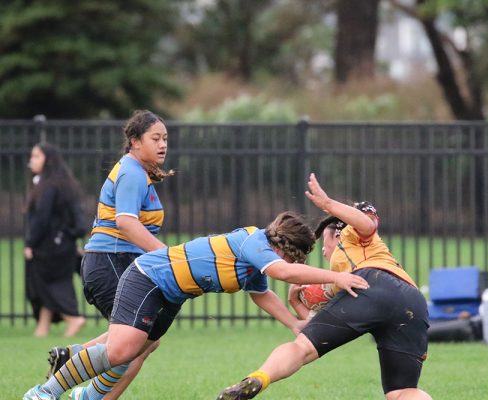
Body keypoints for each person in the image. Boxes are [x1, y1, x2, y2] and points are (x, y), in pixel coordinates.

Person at [23, 211, 369, 400]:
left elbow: (262, 292)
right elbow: (282, 272)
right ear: (284, 248)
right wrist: (335, 277)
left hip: (171, 295)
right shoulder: (255, 243)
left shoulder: (254, 261)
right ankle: (43, 393)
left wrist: (293, 325)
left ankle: (84, 394)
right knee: (121, 349)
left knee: (137, 350)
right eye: (294, 257)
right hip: (150, 277)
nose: (292, 264)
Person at [216, 173, 431, 400]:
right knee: (401, 391)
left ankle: (260, 378)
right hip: (413, 302)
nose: (323, 250)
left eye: (324, 241)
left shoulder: (351, 234)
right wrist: (295, 303)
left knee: (300, 349)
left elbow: (367, 223)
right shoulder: (344, 279)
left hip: (374, 283)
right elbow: (321, 324)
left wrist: (328, 204)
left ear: (336, 233)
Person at [43, 110, 173, 400]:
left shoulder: (137, 172)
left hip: (115, 262)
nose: (163, 144)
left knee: (143, 341)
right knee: (133, 344)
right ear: (135, 141)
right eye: (155, 138)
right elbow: (126, 223)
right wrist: (168, 255)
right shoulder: (131, 172)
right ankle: (74, 384)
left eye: (165, 138)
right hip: (110, 262)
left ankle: (75, 361)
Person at [24, 142, 87, 338]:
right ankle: (42, 328)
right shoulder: (63, 184)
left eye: (36, 156)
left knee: (48, 284)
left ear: (48, 160)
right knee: (49, 284)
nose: (31, 161)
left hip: (49, 247)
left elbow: (42, 219)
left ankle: (73, 318)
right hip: (63, 245)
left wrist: (30, 243)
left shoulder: (48, 186)